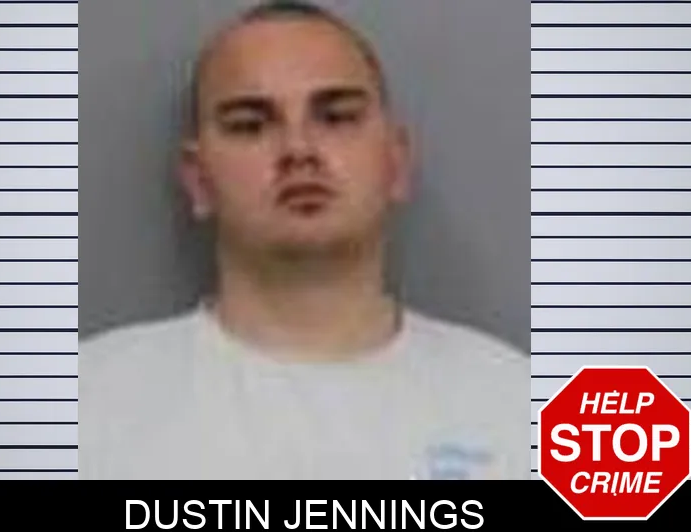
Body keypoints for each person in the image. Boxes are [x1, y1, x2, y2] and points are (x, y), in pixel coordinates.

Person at [79, 0, 529, 480]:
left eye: (336, 117)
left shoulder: (529, 409)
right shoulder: (85, 407)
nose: (298, 149)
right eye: (250, 125)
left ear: (396, 163)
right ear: (198, 180)